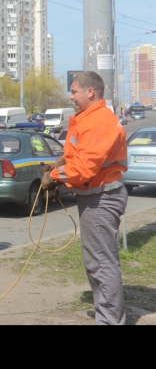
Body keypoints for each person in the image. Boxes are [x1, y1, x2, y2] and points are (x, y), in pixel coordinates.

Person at [41, 72, 128, 326]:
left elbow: (84, 169)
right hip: (97, 196)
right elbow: (78, 157)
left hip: (101, 199)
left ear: (90, 92)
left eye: (74, 91)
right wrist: (61, 165)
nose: (71, 96)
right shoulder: (91, 118)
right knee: (97, 262)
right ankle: (109, 316)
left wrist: (55, 175)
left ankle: (111, 320)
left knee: (101, 263)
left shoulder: (99, 120)